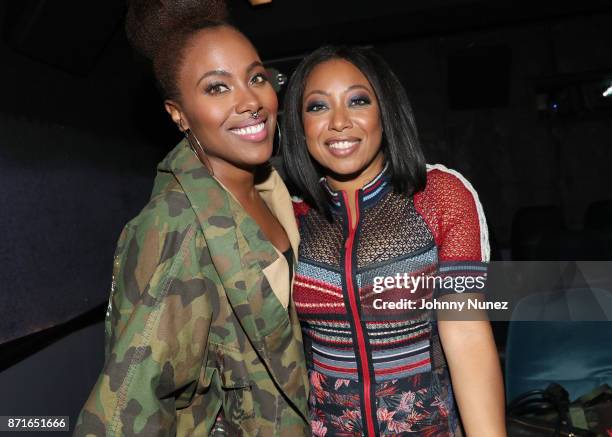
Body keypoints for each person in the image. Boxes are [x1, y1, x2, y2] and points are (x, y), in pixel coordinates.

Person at [74, 1, 309, 435]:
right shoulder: (174, 226)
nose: (250, 101)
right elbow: (124, 407)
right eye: (217, 88)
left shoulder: (270, 190)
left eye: (256, 77)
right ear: (178, 114)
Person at [282, 45, 506, 436]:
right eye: (317, 107)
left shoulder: (439, 196)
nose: (338, 122)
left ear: (385, 112)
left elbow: (467, 336)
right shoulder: (290, 217)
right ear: (300, 125)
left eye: (358, 100)